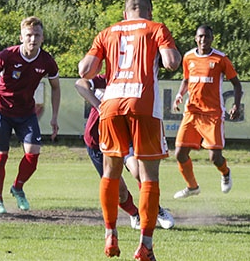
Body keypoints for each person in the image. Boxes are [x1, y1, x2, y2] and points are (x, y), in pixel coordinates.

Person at [79, 0, 181, 261]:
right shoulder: (156, 28)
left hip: (111, 104)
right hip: (143, 104)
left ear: (125, 13)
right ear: (148, 12)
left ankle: (110, 234)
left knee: (110, 173)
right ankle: (145, 246)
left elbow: (84, 70)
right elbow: (172, 62)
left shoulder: (108, 32)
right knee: (149, 177)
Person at [0, 17, 61, 214]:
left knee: (33, 155)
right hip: (1, 110)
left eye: (37, 35)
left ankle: (17, 187)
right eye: (29, 35)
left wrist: (55, 116)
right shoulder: (7, 55)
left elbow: (56, 88)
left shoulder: (47, 61)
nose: (32, 39)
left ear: (42, 38)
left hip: (26, 112)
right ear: (21, 37)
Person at [75, 75, 175, 230]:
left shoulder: (137, 82)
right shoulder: (109, 78)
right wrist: (99, 105)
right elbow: (80, 83)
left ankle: (156, 210)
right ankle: (135, 214)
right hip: (98, 142)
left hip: (124, 137)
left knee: (139, 173)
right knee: (118, 190)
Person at [172, 25, 242, 198]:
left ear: (212, 38)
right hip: (192, 112)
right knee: (180, 153)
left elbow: (237, 84)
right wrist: (180, 95)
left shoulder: (221, 59)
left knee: (214, 157)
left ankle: (225, 172)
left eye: (207, 37)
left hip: (212, 114)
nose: (204, 40)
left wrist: (236, 105)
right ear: (196, 38)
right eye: (200, 37)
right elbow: (186, 79)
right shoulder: (188, 57)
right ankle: (192, 187)